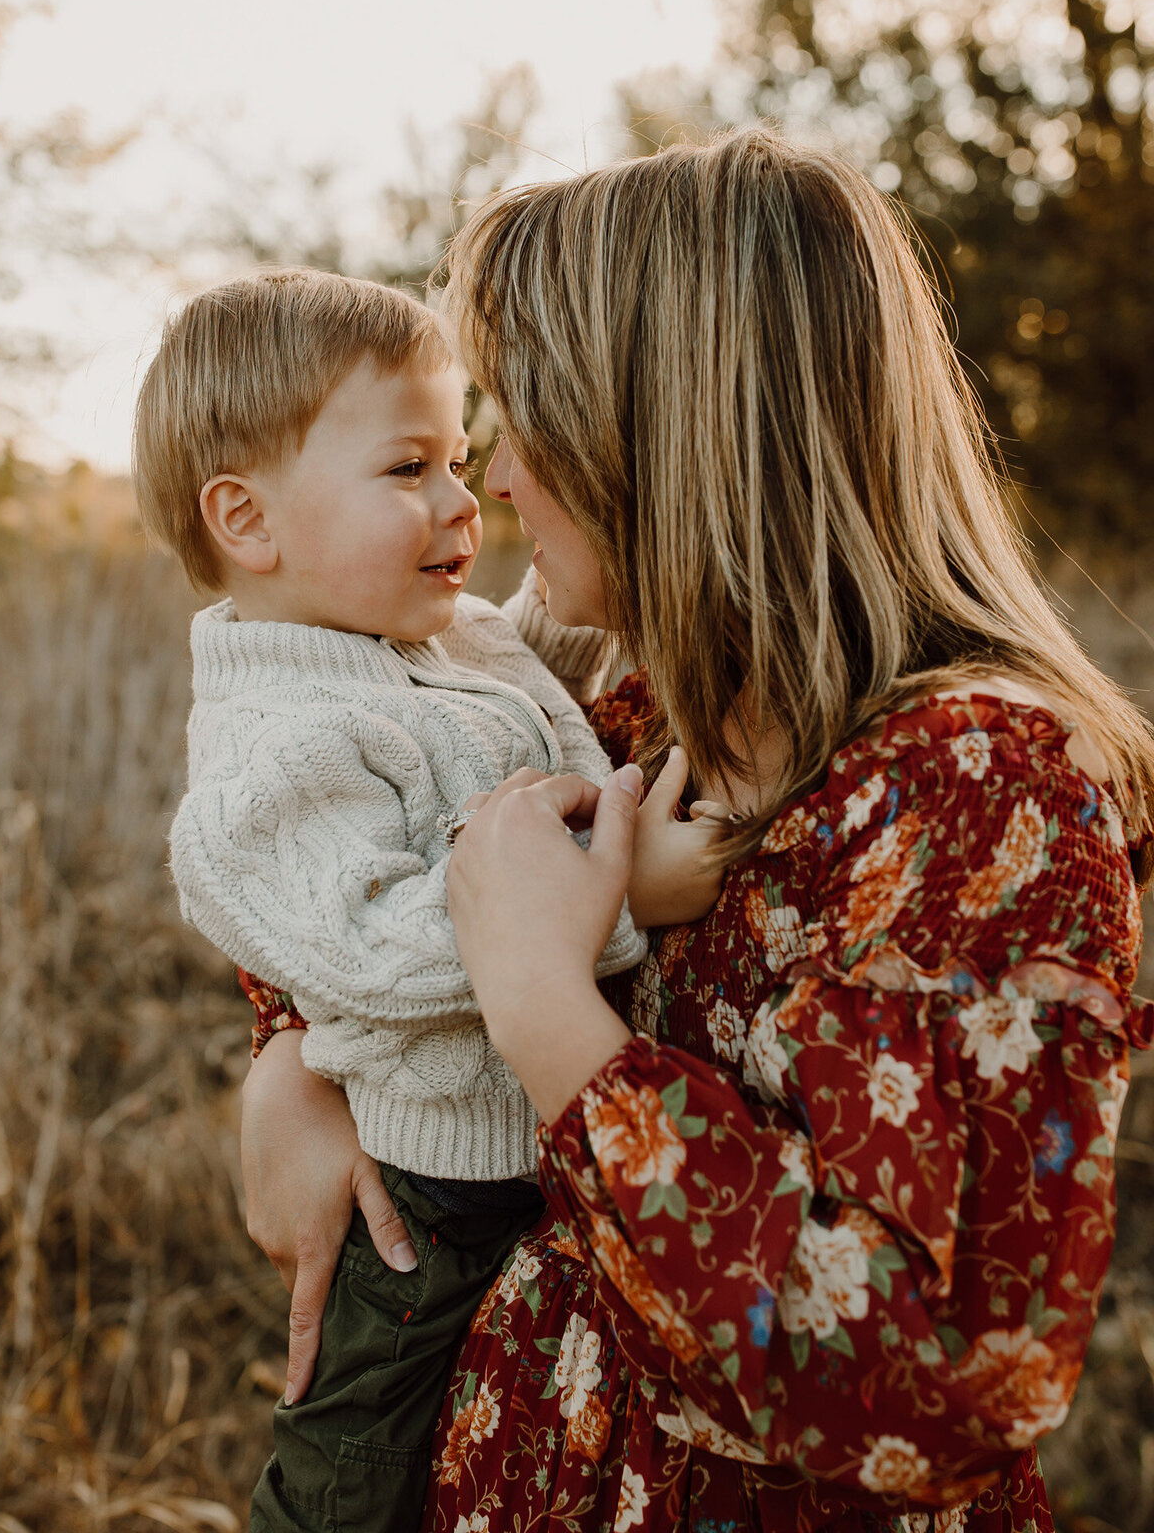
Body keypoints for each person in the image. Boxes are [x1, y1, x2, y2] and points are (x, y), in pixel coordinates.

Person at [239, 131, 1154, 1533]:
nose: (496, 481)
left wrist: (553, 1018)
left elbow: (950, 1382)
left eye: (530, 415)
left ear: (662, 433)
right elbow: (367, 839)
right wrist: (288, 1060)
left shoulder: (980, 791)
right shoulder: (627, 709)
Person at [133, 268, 725, 1533]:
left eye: (460, 459)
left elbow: (545, 681)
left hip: (541, 1175)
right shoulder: (273, 744)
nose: (468, 500)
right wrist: (628, 903)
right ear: (247, 519)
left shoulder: (441, 638)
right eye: (411, 469)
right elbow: (371, 951)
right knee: (357, 1475)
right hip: (435, 1205)